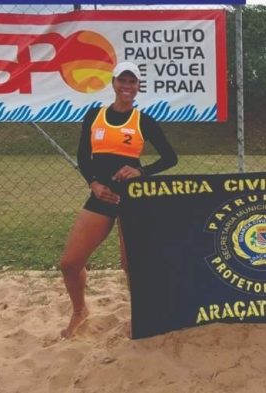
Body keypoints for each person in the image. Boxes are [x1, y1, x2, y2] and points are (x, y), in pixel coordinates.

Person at [59, 61, 177, 338]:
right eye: (122, 80)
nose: (127, 86)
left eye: (132, 81)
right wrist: (94, 184)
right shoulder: (95, 115)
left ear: (138, 87)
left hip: (132, 200)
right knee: (70, 263)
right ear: (113, 83)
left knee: (131, 265)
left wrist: (141, 171)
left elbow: (170, 158)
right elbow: (83, 157)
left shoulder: (143, 121)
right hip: (102, 197)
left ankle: (143, 316)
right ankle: (79, 311)